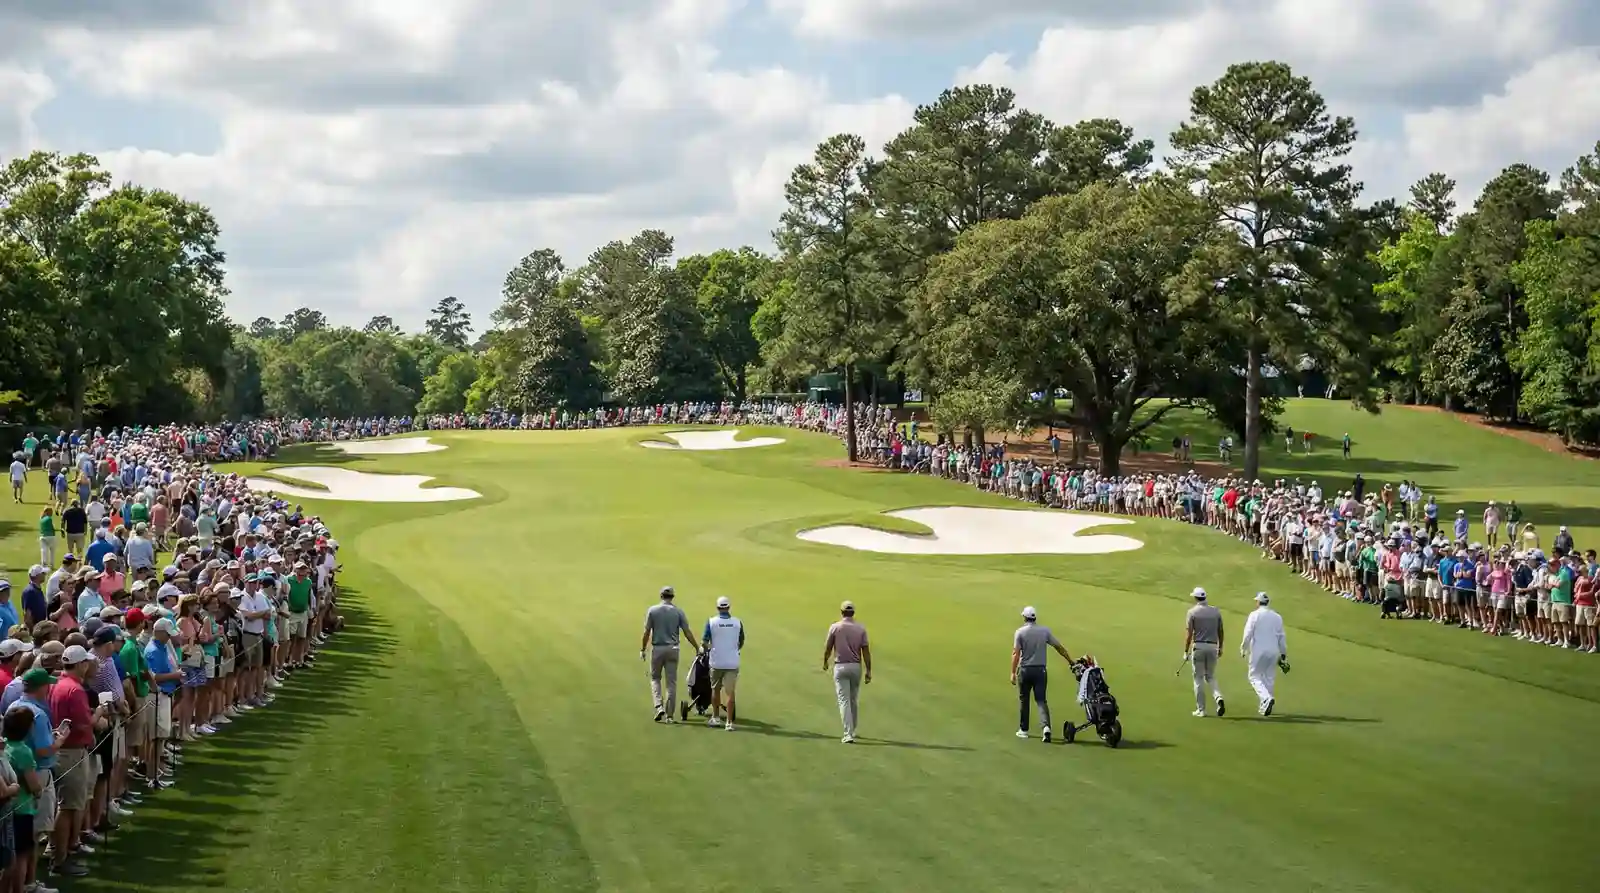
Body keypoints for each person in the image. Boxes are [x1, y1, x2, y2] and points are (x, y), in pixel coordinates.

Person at [1010, 606, 1072, 742]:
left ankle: (1024, 730)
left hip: (1025, 670)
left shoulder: (1020, 632)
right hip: (1040, 671)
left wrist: (1013, 672)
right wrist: (1070, 660)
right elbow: (1058, 646)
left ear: (1024, 618)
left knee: (1024, 700)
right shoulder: (1044, 631)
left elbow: (1016, 653)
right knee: (1041, 700)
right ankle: (1046, 728)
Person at [638, 586, 700, 724]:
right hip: (673, 649)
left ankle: (659, 706)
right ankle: (670, 716)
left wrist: (643, 649)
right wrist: (696, 647)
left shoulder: (653, 611)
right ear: (672, 597)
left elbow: (646, 632)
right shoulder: (678, 612)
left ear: (661, 596)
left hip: (658, 649)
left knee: (655, 678)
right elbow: (687, 632)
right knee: (671, 683)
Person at [821, 601, 871, 743]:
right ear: (853, 613)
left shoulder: (835, 627)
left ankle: (848, 733)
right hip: (855, 666)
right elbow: (866, 651)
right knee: (853, 699)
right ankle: (853, 730)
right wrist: (868, 670)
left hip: (840, 666)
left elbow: (828, 647)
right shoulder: (860, 629)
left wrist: (825, 661)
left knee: (844, 700)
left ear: (842, 612)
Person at [1240, 592, 1288, 716]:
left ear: (1257, 602)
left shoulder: (1254, 615)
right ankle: (1265, 704)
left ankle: (1266, 698)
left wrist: (1243, 648)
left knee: (1254, 676)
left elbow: (1248, 633)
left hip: (1258, 650)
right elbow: (1281, 637)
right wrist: (1283, 654)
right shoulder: (1277, 617)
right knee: (1269, 677)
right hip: (1273, 651)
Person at [1183, 588, 1226, 717]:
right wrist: (1220, 647)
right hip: (1213, 647)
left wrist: (1186, 651)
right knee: (1210, 676)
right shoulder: (1215, 611)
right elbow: (1221, 631)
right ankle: (1218, 697)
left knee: (1198, 679)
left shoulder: (1192, 612)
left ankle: (1201, 710)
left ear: (1196, 598)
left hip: (1199, 647)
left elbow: (1189, 634)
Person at [702, 597, 744, 731]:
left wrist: (709, 648)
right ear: (729, 607)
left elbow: (705, 641)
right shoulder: (737, 623)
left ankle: (715, 718)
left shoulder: (711, 622)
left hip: (716, 661)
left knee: (715, 689)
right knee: (730, 692)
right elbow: (741, 641)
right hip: (732, 662)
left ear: (718, 608)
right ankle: (729, 722)